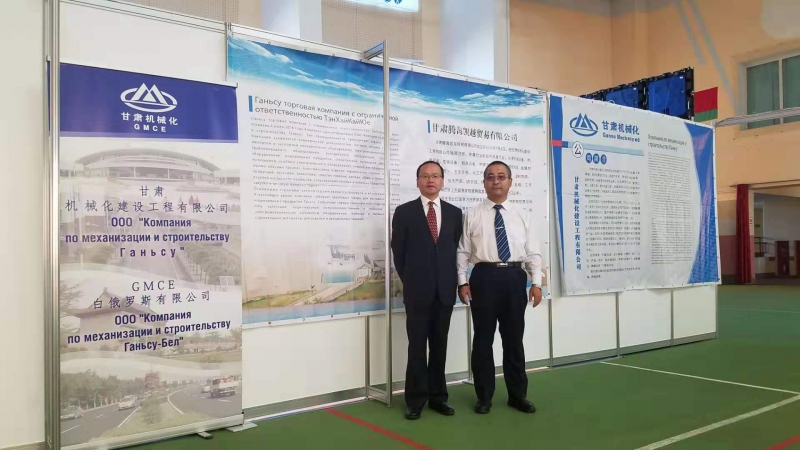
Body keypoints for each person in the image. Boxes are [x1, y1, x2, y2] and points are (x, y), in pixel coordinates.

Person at [457, 160, 543, 415]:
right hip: (483, 277)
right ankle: (484, 397)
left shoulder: (522, 215)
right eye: (491, 177)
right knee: (483, 340)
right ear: (484, 183)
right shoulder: (472, 214)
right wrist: (463, 282)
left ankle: (517, 395)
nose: (496, 181)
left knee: (513, 339)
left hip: (515, 278)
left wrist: (536, 283)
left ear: (510, 182)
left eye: (501, 176)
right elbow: (463, 252)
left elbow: (533, 253)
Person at [391, 160, 464, 420]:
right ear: (417, 181)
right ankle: (415, 400)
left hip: (445, 292)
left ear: (442, 181)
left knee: (440, 346)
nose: (430, 180)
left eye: (435, 176)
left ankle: (438, 398)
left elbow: (456, 251)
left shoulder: (455, 213)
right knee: (417, 347)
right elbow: (398, 253)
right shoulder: (404, 212)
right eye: (425, 176)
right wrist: (412, 281)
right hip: (417, 292)